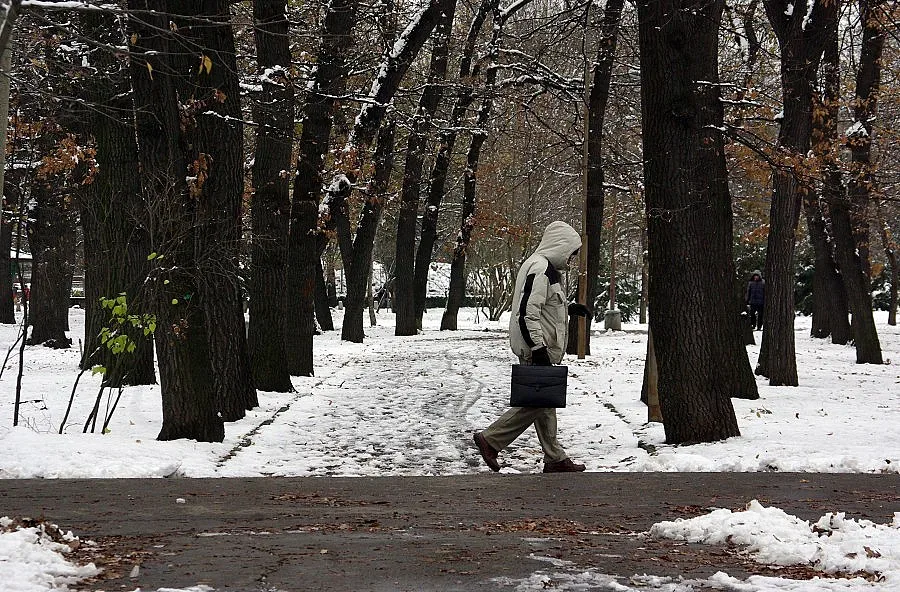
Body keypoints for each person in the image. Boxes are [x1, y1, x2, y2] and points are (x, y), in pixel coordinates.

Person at [473, 221, 591, 473]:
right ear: (561, 246)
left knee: (546, 402)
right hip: (537, 346)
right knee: (537, 401)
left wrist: (569, 309)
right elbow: (528, 312)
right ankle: (491, 439)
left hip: (540, 345)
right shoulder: (541, 268)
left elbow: (543, 304)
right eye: (571, 253)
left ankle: (555, 458)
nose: (571, 259)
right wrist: (537, 347)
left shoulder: (544, 268)